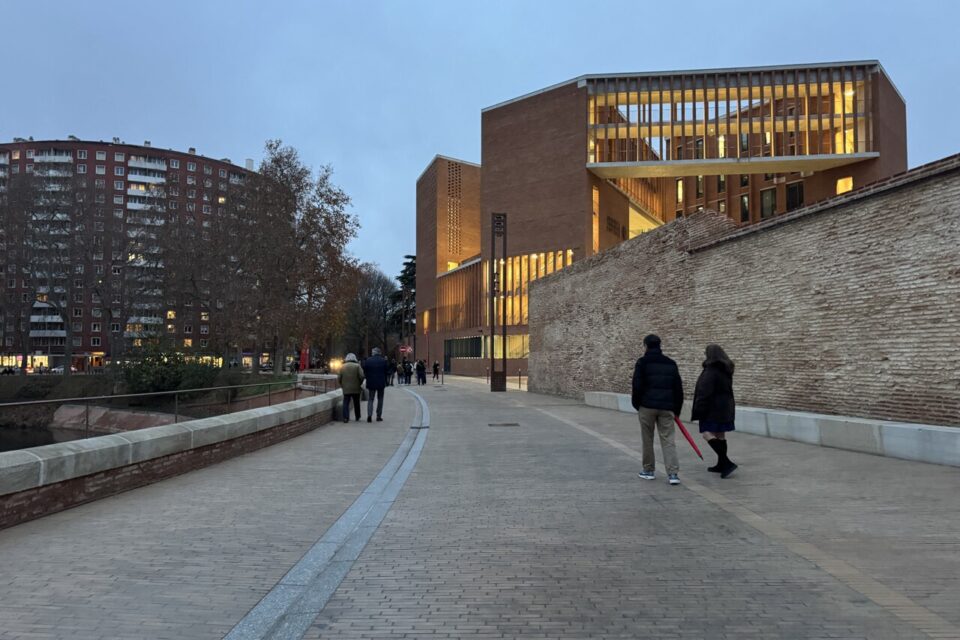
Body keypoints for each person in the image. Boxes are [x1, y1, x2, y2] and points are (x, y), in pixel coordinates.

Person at [631, 334, 684, 485]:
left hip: (647, 406)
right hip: (666, 407)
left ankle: (648, 470)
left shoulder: (642, 362)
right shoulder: (671, 363)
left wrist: (637, 404)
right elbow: (678, 388)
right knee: (668, 440)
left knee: (647, 439)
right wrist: (677, 409)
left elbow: (637, 385)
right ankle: (673, 474)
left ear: (646, 346)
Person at [692, 344, 738, 478]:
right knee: (720, 435)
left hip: (711, 409)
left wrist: (698, 410)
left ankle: (726, 462)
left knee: (707, 433)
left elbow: (704, 392)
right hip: (725, 408)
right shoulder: (726, 369)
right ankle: (721, 464)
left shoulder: (710, 371)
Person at [361, 347, 389, 422]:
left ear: (373, 353)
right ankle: (378, 416)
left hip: (371, 382)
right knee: (380, 399)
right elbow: (387, 371)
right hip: (381, 382)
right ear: (379, 353)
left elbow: (364, 370)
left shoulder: (368, 360)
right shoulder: (383, 360)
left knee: (371, 399)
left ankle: (369, 415)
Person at [337, 353, 364, 423]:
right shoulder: (357, 366)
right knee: (356, 403)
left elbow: (339, 378)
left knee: (346, 402)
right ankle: (357, 416)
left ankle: (346, 417)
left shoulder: (342, 367)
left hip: (346, 388)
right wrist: (360, 383)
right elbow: (362, 376)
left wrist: (342, 384)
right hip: (356, 388)